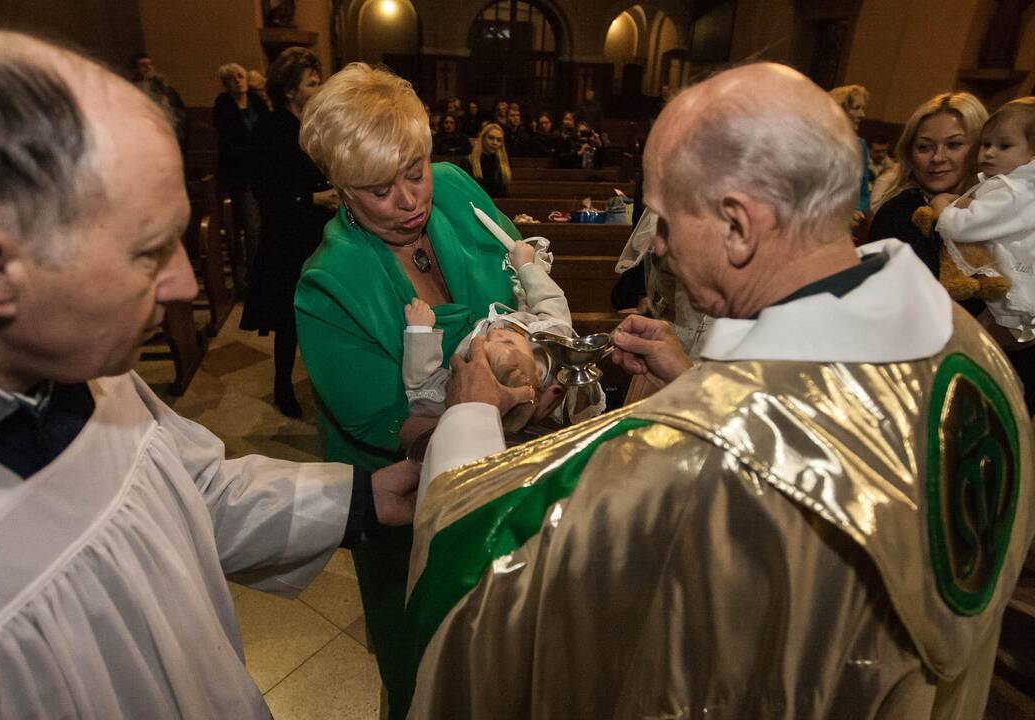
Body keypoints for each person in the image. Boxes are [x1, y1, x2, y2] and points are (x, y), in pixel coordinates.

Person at [403, 62, 1034, 719]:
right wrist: (707, 381)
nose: (662, 249)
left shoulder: (702, 462)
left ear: (737, 226)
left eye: (665, 222)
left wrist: (471, 414)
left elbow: (479, 590)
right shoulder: (973, 349)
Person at [0, 29, 428, 719]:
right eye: (149, 254)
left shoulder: (82, 368)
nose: (184, 283)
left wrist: (361, 499)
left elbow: (188, 491)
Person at [293, 62, 529, 718]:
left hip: (508, 465)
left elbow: (523, 288)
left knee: (505, 658)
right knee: (423, 664)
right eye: (378, 189)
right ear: (339, 186)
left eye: (414, 170)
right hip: (410, 500)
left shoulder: (455, 188)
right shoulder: (329, 283)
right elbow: (390, 421)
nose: (409, 200)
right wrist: (490, 413)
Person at [240, 47, 337, 418]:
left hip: (318, 232)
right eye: (312, 83)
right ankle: (283, 385)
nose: (319, 87)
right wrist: (314, 197)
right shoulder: (270, 128)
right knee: (288, 319)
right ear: (289, 90)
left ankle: (326, 383)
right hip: (287, 236)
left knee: (322, 312)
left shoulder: (315, 125)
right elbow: (267, 192)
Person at [401, 238, 569, 433]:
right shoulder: (550, 342)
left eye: (483, 344)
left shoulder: (461, 384)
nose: (494, 333)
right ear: (539, 374)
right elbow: (551, 301)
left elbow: (422, 383)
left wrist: (420, 331)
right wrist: (526, 267)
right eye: (508, 341)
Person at [935, 99, 1035, 408]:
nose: (989, 153)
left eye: (1004, 146)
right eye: (986, 144)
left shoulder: (1013, 190)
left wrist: (943, 207)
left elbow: (963, 227)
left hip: (1011, 300)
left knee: (970, 359)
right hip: (1013, 297)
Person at [868, 93, 987, 299]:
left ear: (981, 148)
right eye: (924, 147)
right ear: (910, 153)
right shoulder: (901, 213)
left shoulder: (995, 209)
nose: (938, 157)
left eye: (954, 145)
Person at [212, 62, 270, 290]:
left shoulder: (256, 101)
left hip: (262, 171)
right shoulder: (223, 105)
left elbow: (266, 130)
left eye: (240, 76)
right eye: (232, 78)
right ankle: (254, 278)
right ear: (226, 84)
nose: (238, 81)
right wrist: (253, 151)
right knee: (252, 226)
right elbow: (228, 142)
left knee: (265, 223)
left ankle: (266, 271)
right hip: (241, 174)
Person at [131, 51, 187, 148]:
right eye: (143, 65)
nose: (148, 68)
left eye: (149, 64)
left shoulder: (165, 89)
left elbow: (178, 112)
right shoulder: (130, 90)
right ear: (135, 69)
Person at [829, 84, 871, 213]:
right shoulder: (818, 142)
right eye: (857, 108)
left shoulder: (860, 145)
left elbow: (863, 194)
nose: (862, 114)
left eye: (863, 108)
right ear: (839, 110)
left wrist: (855, 211)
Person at [462, 122, 512, 198]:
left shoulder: (502, 163)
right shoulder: (468, 162)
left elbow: (504, 193)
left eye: (499, 140)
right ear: (483, 139)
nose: (495, 143)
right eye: (491, 138)